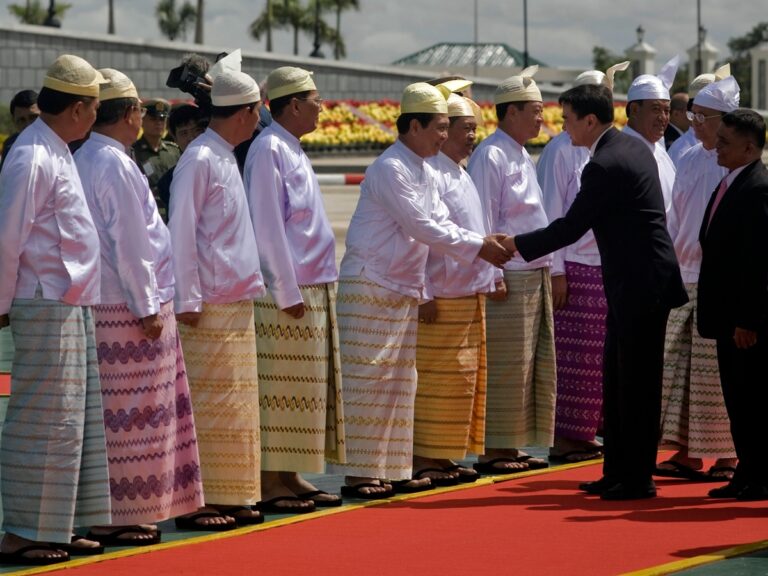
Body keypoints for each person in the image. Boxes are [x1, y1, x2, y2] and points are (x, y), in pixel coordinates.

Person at [326, 82, 511, 498]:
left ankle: (392, 469)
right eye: (440, 127)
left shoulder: (423, 168)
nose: (445, 136)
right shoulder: (391, 168)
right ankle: (359, 474)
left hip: (400, 287)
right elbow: (422, 226)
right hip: (371, 284)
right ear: (414, 126)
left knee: (399, 383)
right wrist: (480, 246)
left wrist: (482, 242)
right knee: (368, 382)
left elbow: (441, 222)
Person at [504, 83, 688, 500]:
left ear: (590, 120)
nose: (563, 127)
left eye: (568, 119)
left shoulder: (604, 164)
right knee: (619, 380)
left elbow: (570, 227)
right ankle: (618, 471)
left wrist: (514, 244)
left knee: (635, 384)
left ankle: (637, 478)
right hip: (634, 283)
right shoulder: (629, 147)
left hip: (642, 285)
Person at [74, 68, 205, 546]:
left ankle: (114, 512)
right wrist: (148, 307)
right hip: (128, 309)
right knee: (135, 419)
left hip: (108, 303)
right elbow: (131, 243)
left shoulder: (88, 156)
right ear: (130, 113)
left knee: (116, 418)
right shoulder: (113, 162)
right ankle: (122, 514)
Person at [0, 54, 110, 565]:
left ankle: (58, 527)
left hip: (68, 301)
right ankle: (23, 532)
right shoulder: (32, 156)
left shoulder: (56, 148)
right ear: (79, 108)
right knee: (44, 420)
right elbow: (8, 238)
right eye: (95, 106)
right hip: (44, 300)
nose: (97, 115)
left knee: (70, 421)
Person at [243, 66, 345, 513]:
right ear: (294, 105)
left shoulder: (290, 147)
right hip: (287, 293)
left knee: (304, 395)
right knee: (281, 391)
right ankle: (270, 481)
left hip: (311, 287)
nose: (322, 107)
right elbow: (267, 227)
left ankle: (290, 475)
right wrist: (286, 291)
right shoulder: (269, 149)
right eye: (316, 100)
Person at [169, 67, 266, 528]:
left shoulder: (224, 155)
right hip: (207, 304)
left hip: (235, 300)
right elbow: (181, 232)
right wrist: (186, 299)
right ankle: (198, 501)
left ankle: (231, 493)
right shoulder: (200, 158)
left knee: (235, 407)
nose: (259, 119)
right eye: (257, 111)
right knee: (209, 408)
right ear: (244, 113)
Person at [537, 61, 629, 463]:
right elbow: (553, 214)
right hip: (573, 266)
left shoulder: (601, 148)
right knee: (574, 361)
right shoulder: (560, 150)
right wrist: (556, 271)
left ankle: (587, 432)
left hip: (602, 264)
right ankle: (567, 437)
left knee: (598, 360)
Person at [467, 66, 555, 474]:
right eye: (535, 111)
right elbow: (484, 219)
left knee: (526, 366)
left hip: (532, 271)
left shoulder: (519, 152)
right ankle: (495, 448)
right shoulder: (491, 155)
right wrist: (493, 275)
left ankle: (512, 444)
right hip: (509, 273)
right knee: (506, 365)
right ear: (512, 112)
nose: (541, 118)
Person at [656, 77, 740, 482]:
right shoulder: (688, 157)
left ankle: (728, 456)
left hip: (716, 281)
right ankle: (687, 452)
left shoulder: (736, 165)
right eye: (694, 115)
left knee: (715, 374)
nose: (695, 124)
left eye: (704, 117)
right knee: (680, 370)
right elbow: (674, 217)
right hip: (683, 275)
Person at [411, 88, 495, 485]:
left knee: (461, 382)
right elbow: (420, 237)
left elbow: (478, 228)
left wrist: (491, 277)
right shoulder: (432, 173)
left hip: (467, 291)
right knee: (436, 382)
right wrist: (424, 291)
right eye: (464, 128)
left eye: (474, 129)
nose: (470, 136)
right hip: (441, 295)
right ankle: (425, 455)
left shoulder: (461, 172)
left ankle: (444, 454)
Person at [697, 109, 768, 501]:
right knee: (737, 399)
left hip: (744, 322)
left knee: (751, 398)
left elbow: (758, 262)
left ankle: (759, 476)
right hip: (726, 315)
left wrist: (748, 319)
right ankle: (747, 471)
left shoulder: (758, 188)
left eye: (725, 142)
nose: (717, 148)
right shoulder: (731, 182)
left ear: (749, 148)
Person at [623, 56, 679, 213]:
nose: (663, 118)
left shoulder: (660, 151)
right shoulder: (620, 153)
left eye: (667, 111)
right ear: (635, 110)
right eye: (655, 109)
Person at [668, 64, 731, 167]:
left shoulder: (732, 150)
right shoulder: (683, 152)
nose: (696, 122)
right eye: (694, 115)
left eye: (702, 116)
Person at [132, 98, 180, 220]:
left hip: (173, 212)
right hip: (149, 215)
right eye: (153, 119)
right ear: (142, 121)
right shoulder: (133, 152)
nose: (158, 123)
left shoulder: (174, 151)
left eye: (162, 119)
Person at [157, 103, 208, 215]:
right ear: (175, 138)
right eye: (184, 133)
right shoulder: (168, 182)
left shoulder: (223, 164)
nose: (191, 137)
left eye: (197, 130)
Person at [0, 90, 39, 171]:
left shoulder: (59, 143)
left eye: (33, 117)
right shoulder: (9, 145)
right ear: (14, 121)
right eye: (21, 120)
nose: (28, 125)